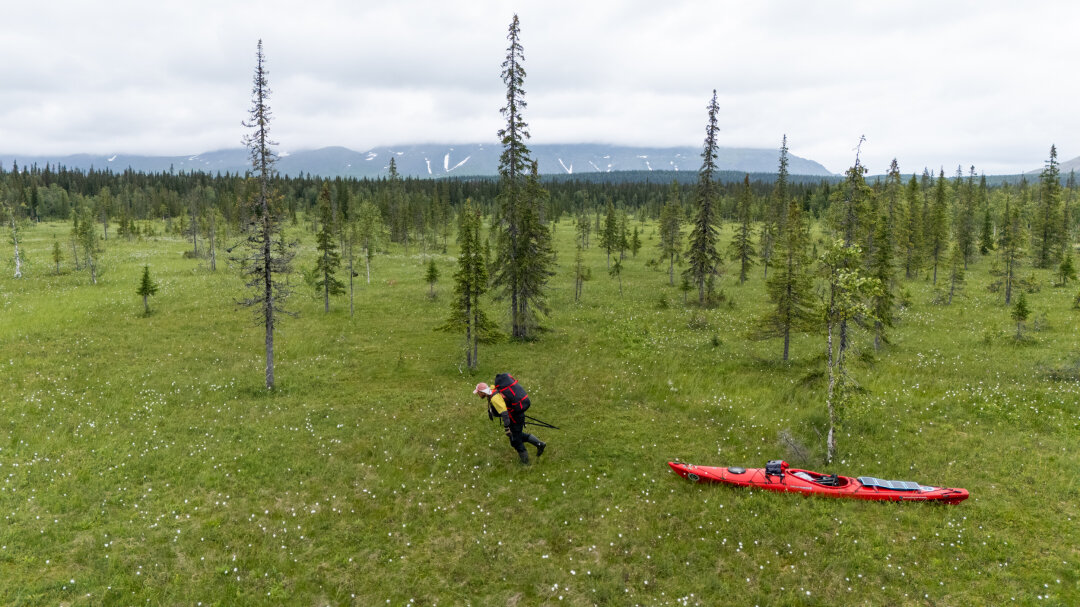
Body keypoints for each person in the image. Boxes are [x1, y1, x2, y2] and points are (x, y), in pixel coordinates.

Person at [474, 381, 545, 464]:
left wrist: (507, 428)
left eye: (478, 393)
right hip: (516, 415)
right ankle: (540, 444)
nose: (478, 395)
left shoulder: (494, 398)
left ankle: (526, 464)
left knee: (516, 441)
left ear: (482, 392)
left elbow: (504, 413)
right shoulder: (492, 391)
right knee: (516, 436)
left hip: (515, 418)